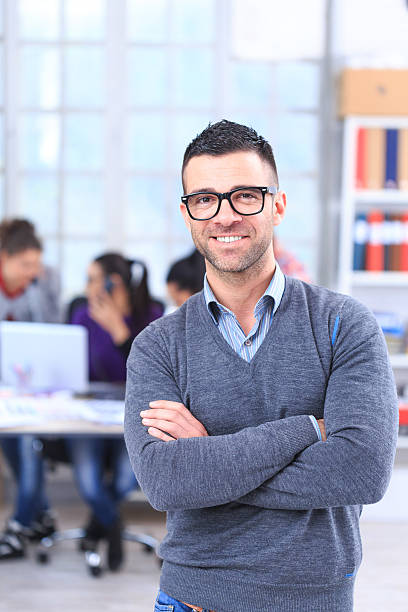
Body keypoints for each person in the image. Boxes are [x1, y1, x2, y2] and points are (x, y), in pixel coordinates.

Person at [124, 120, 398, 612]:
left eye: (245, 195)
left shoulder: (345, 325)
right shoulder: (157, 346)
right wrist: (305, 432)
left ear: (278, 205)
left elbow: (363, 471)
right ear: (188, 215)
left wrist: (209, 460)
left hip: (315, 600)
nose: (224, 215)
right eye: (205, 199)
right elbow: (166, 483)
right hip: (193, 600)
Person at [66, 252, 163, 571]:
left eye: (93, 278)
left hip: (132, 415)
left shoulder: (152, 315)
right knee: (90, 483)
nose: (87, 286)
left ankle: (98, 528)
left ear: (113, 283)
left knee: (124, 481)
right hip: (87, 415)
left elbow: (152, 374)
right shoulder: (82, 315)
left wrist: (119, 331)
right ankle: (113, 528)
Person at [0, 219, 60, 560]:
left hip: (34, 390)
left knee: (28, 447)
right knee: (15, 452)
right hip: (4, 389)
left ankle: (20, 525)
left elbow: (49, 335)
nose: (32, 272)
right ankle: (44, 515)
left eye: (36, 265)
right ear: (4, 258)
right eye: (25, 265)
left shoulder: (39, 286)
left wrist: (36, 294)